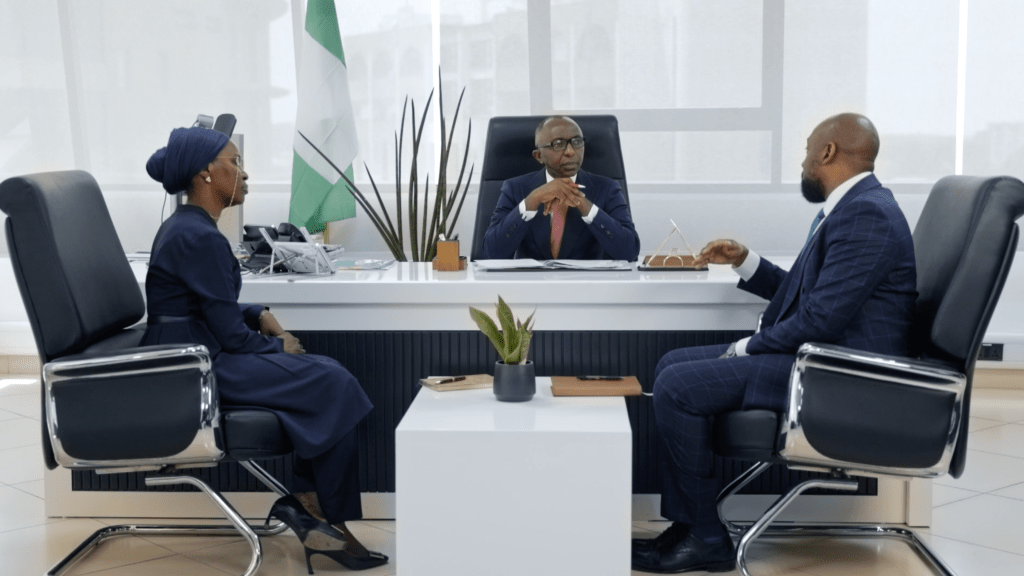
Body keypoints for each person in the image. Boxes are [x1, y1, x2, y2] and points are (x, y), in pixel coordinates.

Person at [632, 113, 917, 573]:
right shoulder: (854, 207)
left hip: (840, 375)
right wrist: (747, 262)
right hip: (821, 360)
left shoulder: (866, 214)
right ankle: (689, 527)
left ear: (827, 152)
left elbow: (820, 320)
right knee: (670, 365)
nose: (802, 162)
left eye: (806, 151)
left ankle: (705, 537)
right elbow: (814, 298)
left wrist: (747, 346)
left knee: (678, 386)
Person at [143, 126, 387, 573]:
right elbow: (230, 336)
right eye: (234, 163)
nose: (244, 173)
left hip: (198, 353)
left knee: (328, 378)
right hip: (198, 367)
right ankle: (320, 518)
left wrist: (259, 313)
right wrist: (279, 344)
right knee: (333, 382)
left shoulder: (188, 227)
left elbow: (203, 306)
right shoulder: (200, 237)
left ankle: (314, 513)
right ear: (205, 173)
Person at [481, 116, 641, 261]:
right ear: (538, 156)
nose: (570, 152)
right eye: (558, 144)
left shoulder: (607, 188)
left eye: (577, 142)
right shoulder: (515, 188)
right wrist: (533, 199)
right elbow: (492, 254)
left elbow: (629, 252)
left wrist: (582, 203)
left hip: (586, 282)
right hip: (532, 282)